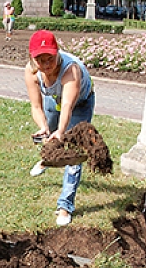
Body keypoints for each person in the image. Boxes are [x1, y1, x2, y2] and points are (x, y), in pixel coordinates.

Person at [24, 30, 95, 226]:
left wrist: (62, 131)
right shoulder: (31, 72)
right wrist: (44, 127)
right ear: (32, 58)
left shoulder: (70, 70)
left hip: (79, 104)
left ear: (57, 53)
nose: (46, 65)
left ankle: (65, 206)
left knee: (72, 152)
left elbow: (67, 106)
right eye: (41, 60)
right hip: (53, 99)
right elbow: (36, 105)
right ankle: (46, 160)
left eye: (50, 59)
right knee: (50, 135)